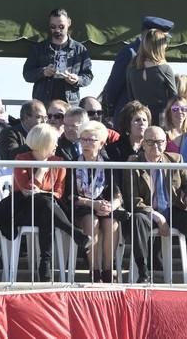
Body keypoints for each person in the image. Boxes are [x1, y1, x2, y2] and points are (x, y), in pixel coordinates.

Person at [123, 126, 187, 284]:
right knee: (137, 220)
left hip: (172, 209)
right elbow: (132, 199)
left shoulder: (175, 159)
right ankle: (143, 271)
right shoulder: (134, 163)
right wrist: (157, 217)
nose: (156, 146)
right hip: (147, 212)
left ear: (165, 143)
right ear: (143, 144)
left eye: (160, 142)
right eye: (151, 142)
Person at [10, 124, 91, 281]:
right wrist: (43, 167)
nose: (56, 145)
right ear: (44, 142)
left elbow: (58, 193)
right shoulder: (22, 159)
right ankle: (74, 233)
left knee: (46, 207)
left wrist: (41, 192)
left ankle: (44, 265)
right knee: (45, 204)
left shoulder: (59, 162)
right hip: (23, 209)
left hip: (49, 208)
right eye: (53, 142)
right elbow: (27, 190)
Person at [66, 120, 122, 283]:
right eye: (83, 139)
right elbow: (69, 197)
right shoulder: (72, 163)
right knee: (92, 220)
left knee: (112, 222)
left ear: (102, 143)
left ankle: (108, 270)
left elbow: (118, 193)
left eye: (91, 140)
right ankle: (94, 270)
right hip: (81, 208)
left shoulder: (109, 164)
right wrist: (93, 204)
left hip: (105, 207)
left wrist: (111, 205)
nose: (86, 143)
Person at [102, 16, 174, 128]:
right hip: (130, 118)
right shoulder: (130, 53)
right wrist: (108, 112)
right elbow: (113, 86)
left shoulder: (149, 57)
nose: (165, 44)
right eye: (162, 39)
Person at [22, 8, 93, 106]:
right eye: (53, 26)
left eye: (61, 26)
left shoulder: (79, 49)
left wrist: (77, 79)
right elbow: (27, 74)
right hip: (43, 105)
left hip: (69, 105)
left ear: (69, 23)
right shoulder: (39, 49)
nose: (57, 30)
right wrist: (43, 72)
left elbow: (88, 76)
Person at [126, 28, 177, 125]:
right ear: (159, 46)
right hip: (161, 121)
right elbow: (174, 99)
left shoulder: (131, 69)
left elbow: (131, 99)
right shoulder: (165, 69)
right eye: (165, 43)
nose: (166, 46)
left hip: (139, 120)